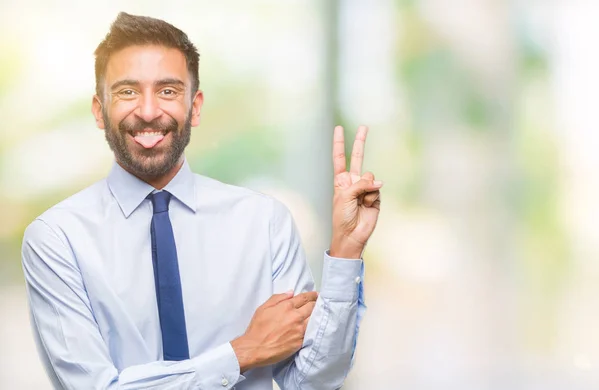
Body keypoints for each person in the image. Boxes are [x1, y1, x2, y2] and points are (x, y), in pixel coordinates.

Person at [21, 12, 382, 390]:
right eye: (128, 91)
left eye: (168, 91)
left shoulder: (264, 222)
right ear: (99, 110)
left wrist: (346, 250)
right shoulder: (56, 238)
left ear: (195, 106)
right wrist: (242, 352)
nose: (147, 111)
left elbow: (311, 381)